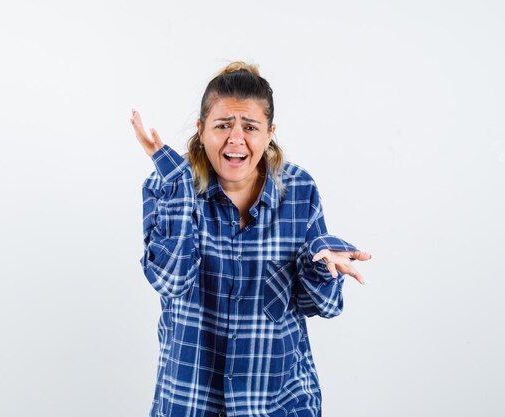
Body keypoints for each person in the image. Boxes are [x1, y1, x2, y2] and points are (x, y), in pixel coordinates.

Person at [130, 61, 372, 417]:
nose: (236, 139)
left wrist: (318, 263)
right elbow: (170, 278)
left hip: (279, 403)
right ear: (200, 129)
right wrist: (177, 179)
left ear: (270, 132)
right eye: (223, 125)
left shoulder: (298, 190)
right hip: (191, 400)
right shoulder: (166, 187)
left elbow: (321, 305)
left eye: (250, 127)